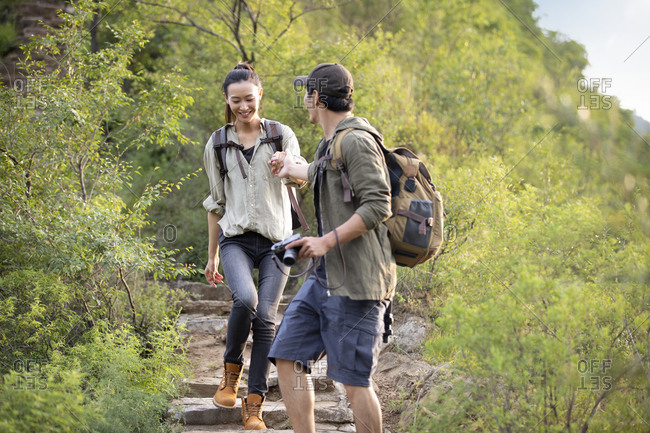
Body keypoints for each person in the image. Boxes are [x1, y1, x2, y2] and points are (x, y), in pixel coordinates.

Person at [268, 63, 396, 433]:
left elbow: (378, 204)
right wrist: (291, 167)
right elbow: (323, 174)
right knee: (288, 355)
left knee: (354, 382)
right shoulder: (330, 141)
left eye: (306, 94)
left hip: (359, 283)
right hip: (325, 279)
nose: (304, 102)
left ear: (318, 98)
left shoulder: (356, 139)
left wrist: (324, 241)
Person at [202, 62, 306, 430]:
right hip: (236, 240)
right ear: (227, 101)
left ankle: (255, 402)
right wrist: (212, 255)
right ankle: (230, 373)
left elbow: (303, 174)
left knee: (266, 319)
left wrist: (287, 165)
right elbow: (215, 205)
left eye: (249, 99)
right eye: (236, 101)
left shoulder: (281, 135)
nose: (243, 107)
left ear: (259, 94)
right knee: (246, 299)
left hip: (278, 242)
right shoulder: (217, 143)